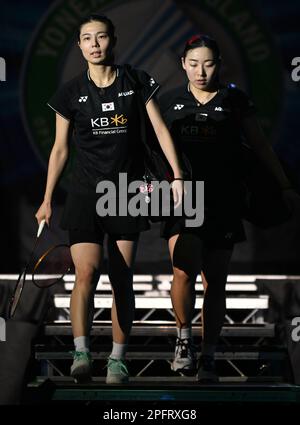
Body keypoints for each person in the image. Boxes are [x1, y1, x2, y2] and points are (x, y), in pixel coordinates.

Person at [35, 14, 184, 384]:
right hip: (85, 192)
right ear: (80, 46)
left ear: (113, 40)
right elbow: (59, 150)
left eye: (101, 37)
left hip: (125, 193)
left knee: (122, 277)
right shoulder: (70, 93)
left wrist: (177, 176)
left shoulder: (135, 80)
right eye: (87, 38)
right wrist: (47, 199)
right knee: (85, 273)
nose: (95, 44)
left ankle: (118, 359)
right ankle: (81, 352)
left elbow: (161, 130)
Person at [158, 34, 298, 382]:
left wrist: (284, 185)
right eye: (193, 64)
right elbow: (150, 149)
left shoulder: (234, 100)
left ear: (218, 64)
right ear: (182, 65)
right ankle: (184, 340)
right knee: (183, 271)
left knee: (215, 281)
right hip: (184, 199)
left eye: (208, 63)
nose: (200, 71)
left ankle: (208, 356)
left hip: (223, 200)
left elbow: (261, 146)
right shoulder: (169, 102)